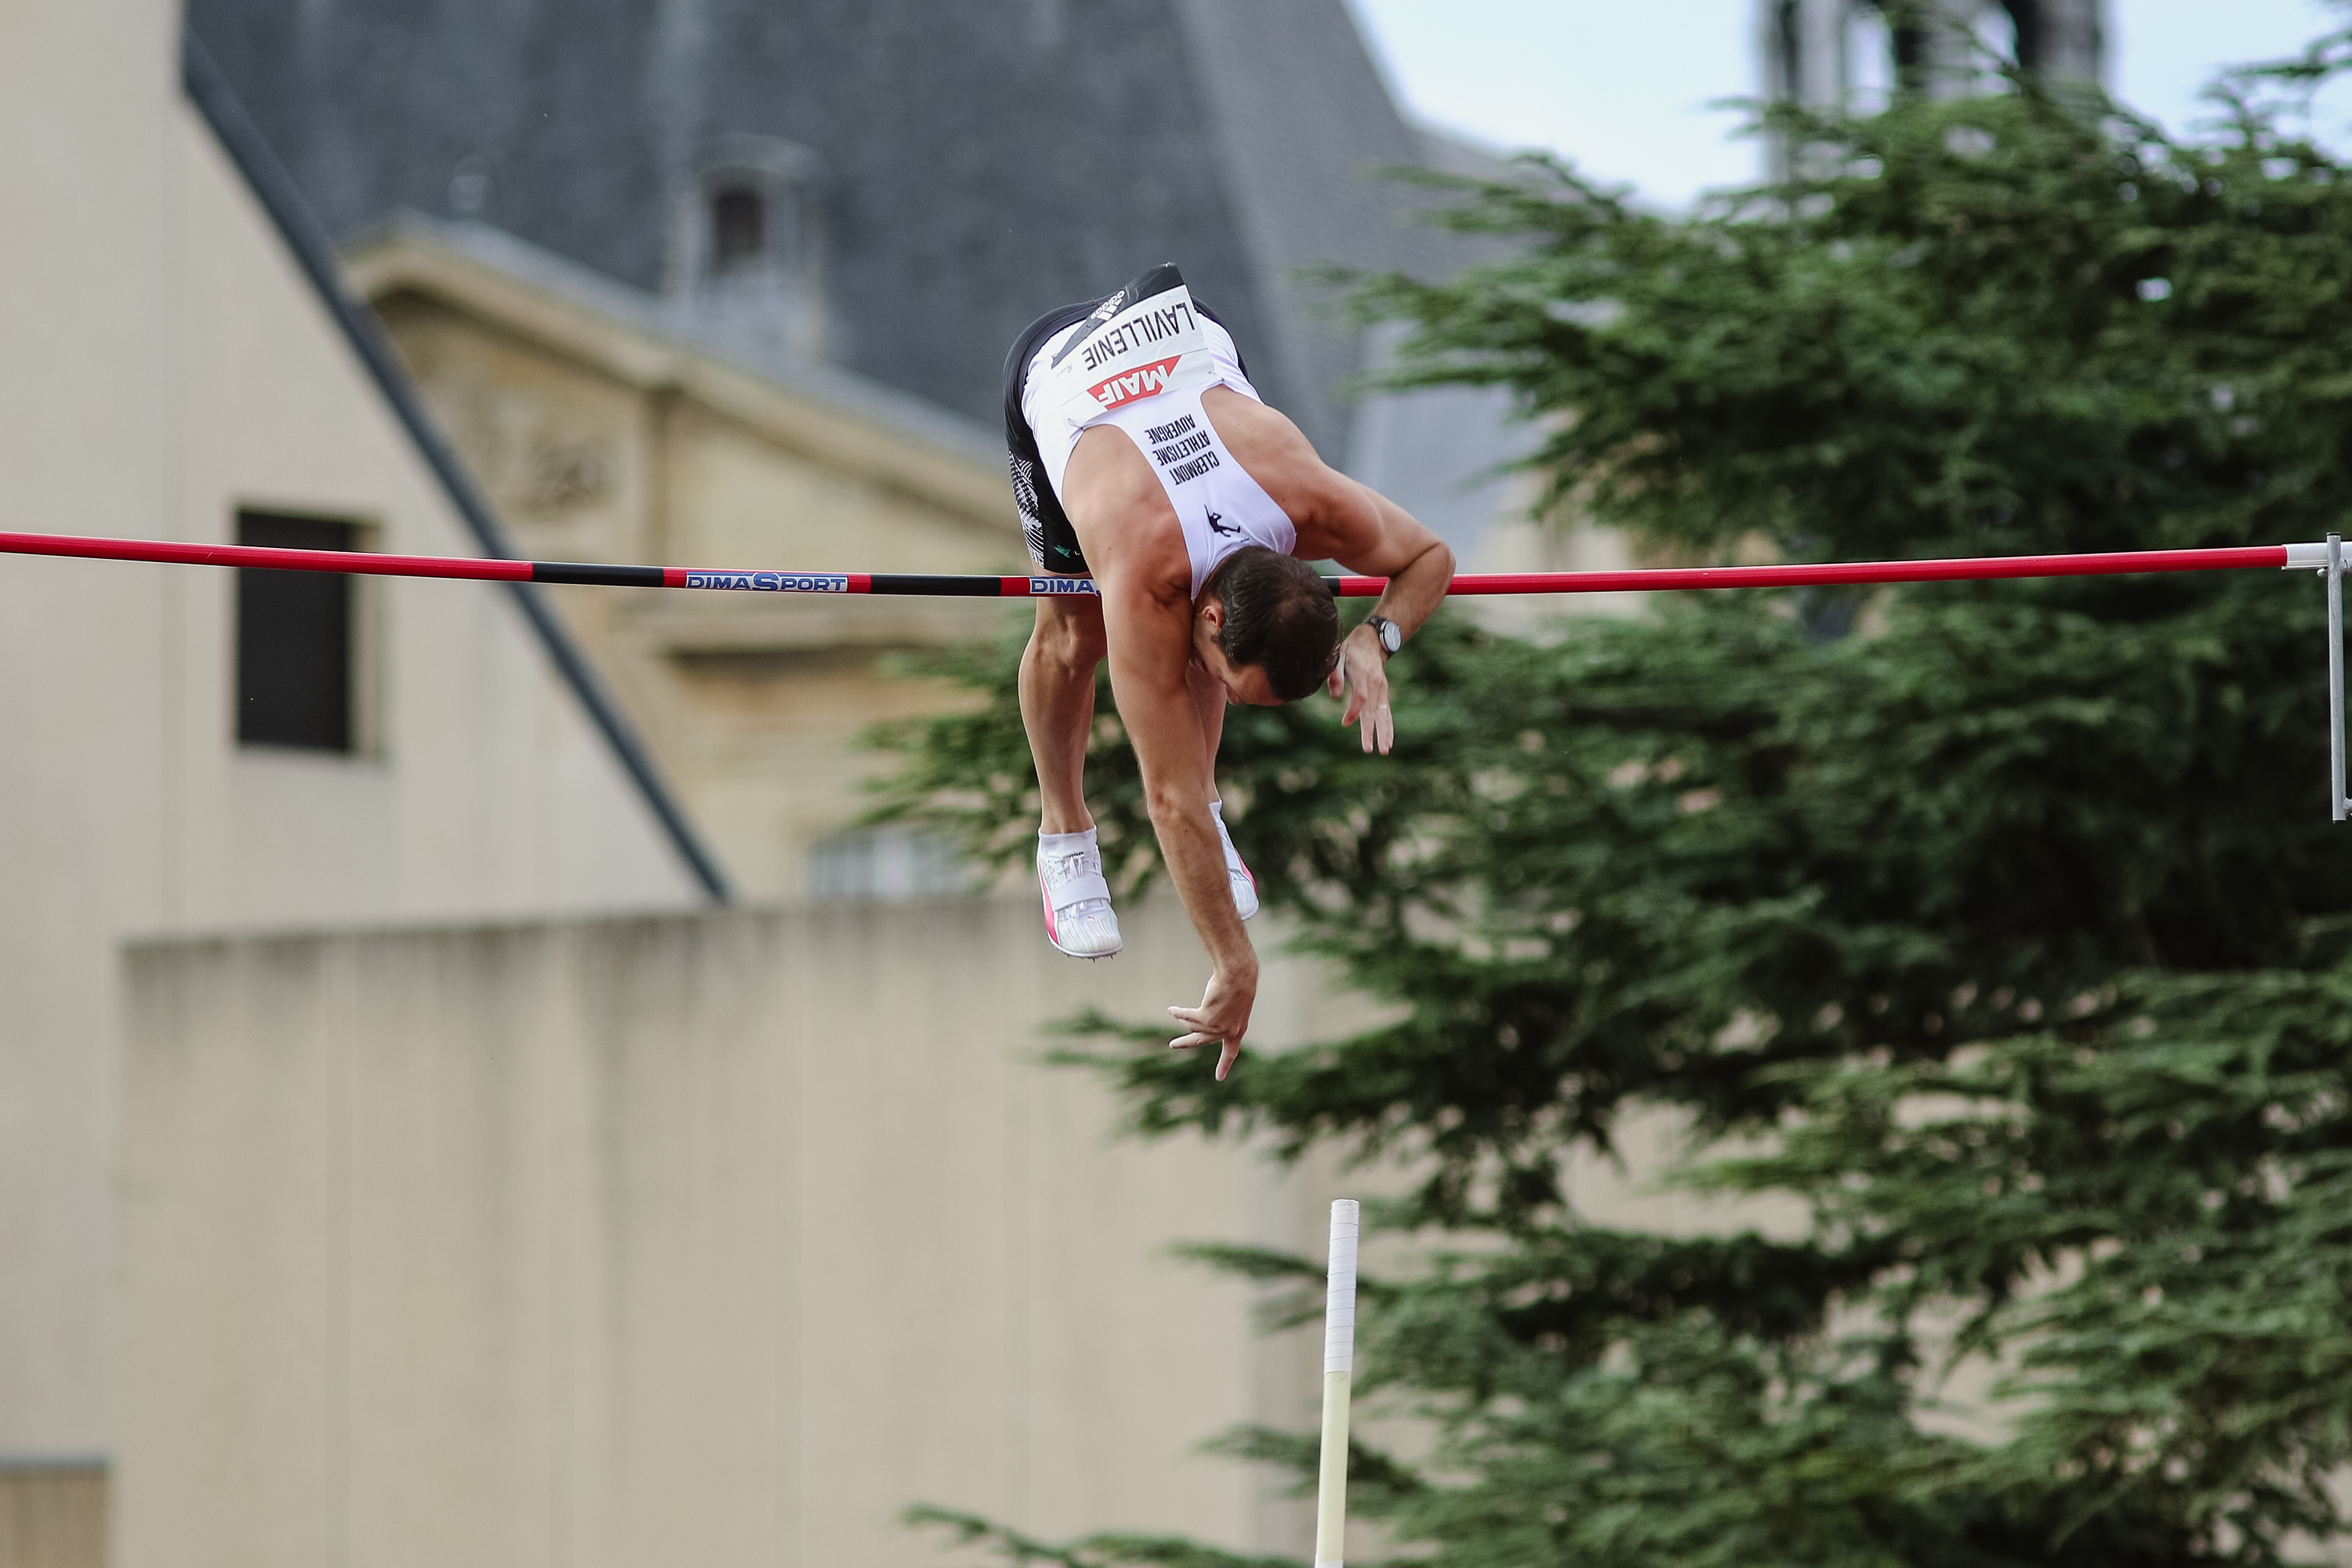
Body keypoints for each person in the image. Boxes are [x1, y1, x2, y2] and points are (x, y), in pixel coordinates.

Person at [1004, 262, 1454, 1082]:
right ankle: (1063, 836)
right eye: (1234, 682)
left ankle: (1218, 811)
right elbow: (1166, 796)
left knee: (1191, 714)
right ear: (1209, 616)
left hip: (1181, 345)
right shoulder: (1142, 578)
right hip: (1063, 386)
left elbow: (1429, 555)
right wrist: (1235, 964)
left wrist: (1375, 638)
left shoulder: (1311, 497)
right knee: (1073, 639)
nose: (1234, 706)